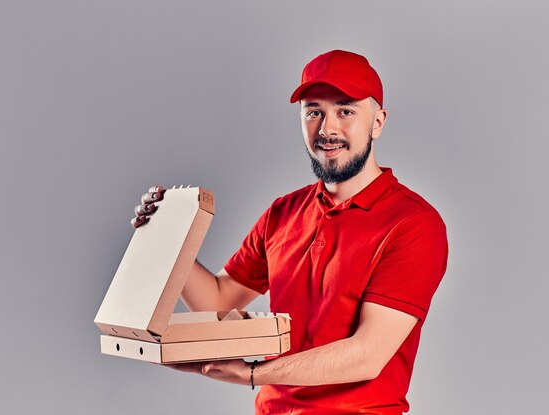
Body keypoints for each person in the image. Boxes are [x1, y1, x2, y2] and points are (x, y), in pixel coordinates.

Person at [131, 50, 448, 415]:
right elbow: (218, 304)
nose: (328, 129)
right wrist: (170, 240)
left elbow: (367, 355)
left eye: (345, 110)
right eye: (315, 112)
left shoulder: (413, 224)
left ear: (377, 122)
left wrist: (254, 374)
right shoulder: (283, 213)